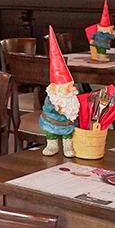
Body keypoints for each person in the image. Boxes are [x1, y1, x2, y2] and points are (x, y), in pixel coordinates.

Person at [40, 27, 79, 157]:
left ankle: (68, 147)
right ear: (55, 89)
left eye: (72, 85)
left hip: (67, 124)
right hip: (52, 122)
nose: (72, 89)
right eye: (68, 87)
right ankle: (52, 146)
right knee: (51, 134)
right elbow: (48, 108)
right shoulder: (53, 98)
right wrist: (56, 107)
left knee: (68, 135)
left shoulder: (70, 98)